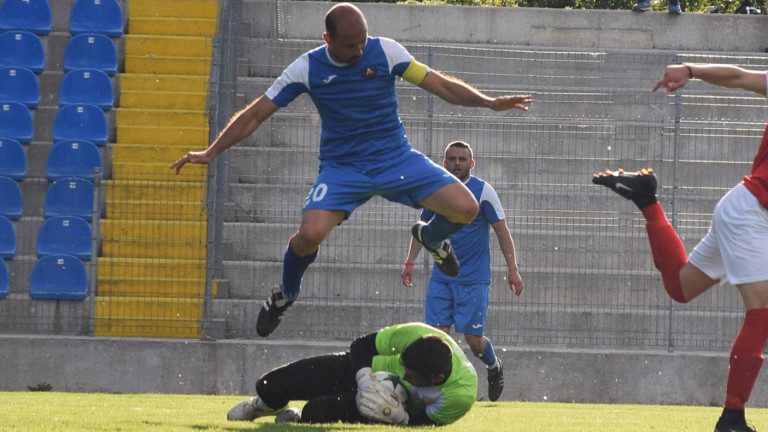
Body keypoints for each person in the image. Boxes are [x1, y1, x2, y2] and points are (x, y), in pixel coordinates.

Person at [169, 3, 532, 338]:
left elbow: (439, 84)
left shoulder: (386, 51)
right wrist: (211, 151)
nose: (359, 51)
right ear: (328, 40)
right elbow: (255, 114)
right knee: (309, 235)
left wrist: (487, 103)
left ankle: (432, 238)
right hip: (342, 169)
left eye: (362, 42)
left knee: (466, 208)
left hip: (396, 159)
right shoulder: (306, 68)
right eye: (349, 45)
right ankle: (286, 293)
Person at [592, 63, 768, 432]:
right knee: (763, 312)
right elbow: (739, 77)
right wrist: (690, 69)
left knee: (680, 286)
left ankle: (646, 200)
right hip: (751, 212)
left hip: (748, 212)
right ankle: (732, 419)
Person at [401, 140, 524, 402]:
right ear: (444, 163)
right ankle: (442, 392)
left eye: (462, 159)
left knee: (473, 340)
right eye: (452, 159)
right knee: (437, 338)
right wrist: (410, 262)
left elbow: (502, 232)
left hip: (474, 279)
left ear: (471, 163)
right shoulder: (436, 191)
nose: (457, 163)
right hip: (442, 278)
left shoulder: (483, 191)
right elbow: (421, 228)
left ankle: (494, 366)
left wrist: (512, 270)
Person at [226, 322, 478, 426]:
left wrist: (399, 417)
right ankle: (261, 405)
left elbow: (425, 425)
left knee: (316, 412)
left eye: (411, 376)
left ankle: (297, 417)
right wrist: (365, 380)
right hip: (362, 370)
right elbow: (361, 346)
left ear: (436, 379)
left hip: (383, 405)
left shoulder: (459, 396)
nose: (404, 375)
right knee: (271, 383)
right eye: (403, 366)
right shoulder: (416, 333)